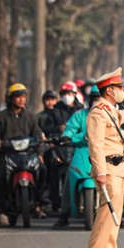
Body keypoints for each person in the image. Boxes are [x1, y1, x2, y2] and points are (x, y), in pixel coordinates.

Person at [82, 68, 124, 248]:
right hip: (106, 168)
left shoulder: (109, 110)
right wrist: (99, 172)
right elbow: (96, 145)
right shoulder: (97, 113)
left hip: (117, 167)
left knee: (115, 213)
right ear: (109, 90)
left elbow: (121, 116)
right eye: (119, 87)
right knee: (107, 211)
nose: (122, 90)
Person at [0, 83, 44, 228]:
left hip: (28, 154)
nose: (21, 100)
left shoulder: (31, 117)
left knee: (43, 171)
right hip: (7, 154)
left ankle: (39, 203)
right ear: (10, 99)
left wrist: (40, 153)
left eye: (23, 96)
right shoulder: (1, 116)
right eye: (18, 97)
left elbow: (38, 136)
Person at [52, 85, 100, 229]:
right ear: (90, 100)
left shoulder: (111, 115)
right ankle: (64, 214)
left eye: (100, 99)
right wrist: (67, 137)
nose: (98, 102)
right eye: (95, 99)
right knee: (70, 176)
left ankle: (120, 214)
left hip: (105, 152)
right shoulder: (80, 115)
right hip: (82, 150)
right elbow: (70, 130)